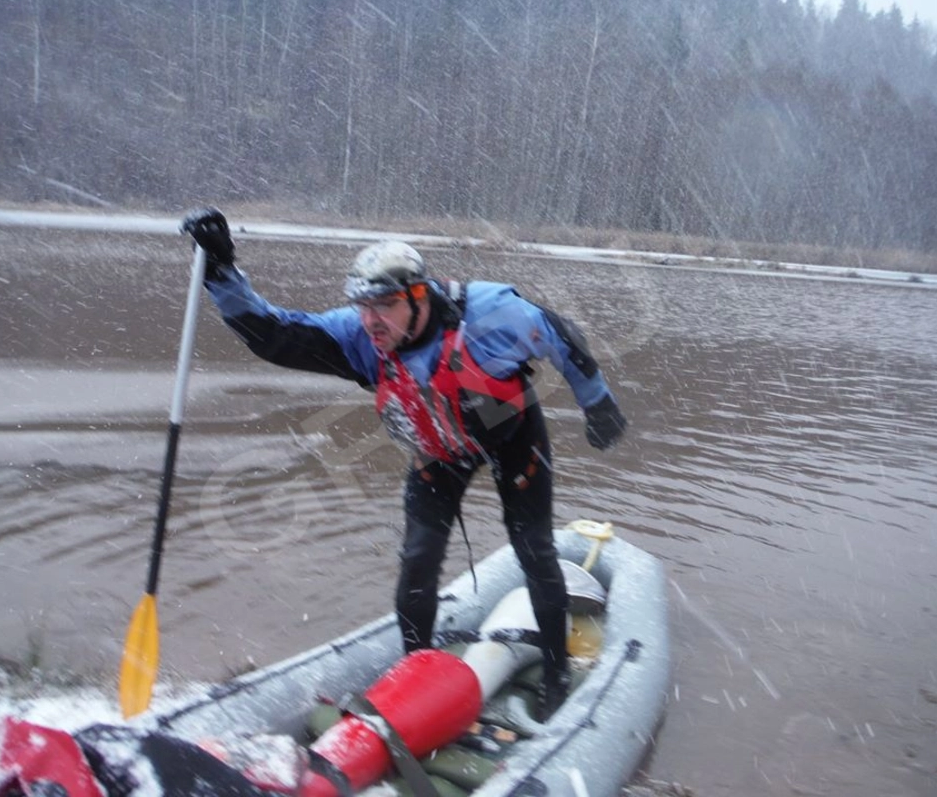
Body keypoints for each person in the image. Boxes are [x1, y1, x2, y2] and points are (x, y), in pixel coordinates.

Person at [181, 208, 627, 721]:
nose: (372, 320)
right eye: (363, 306)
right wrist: (220, 270)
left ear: (419, 297)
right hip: (439, 451)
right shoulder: (359, 338)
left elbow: (560, 333)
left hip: (511, 437)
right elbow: (275, 336)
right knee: (417, 562)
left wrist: (597, 401)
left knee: (534, 550)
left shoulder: (489, 314)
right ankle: (417, 677)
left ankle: (554, 675)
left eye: (386, 306)